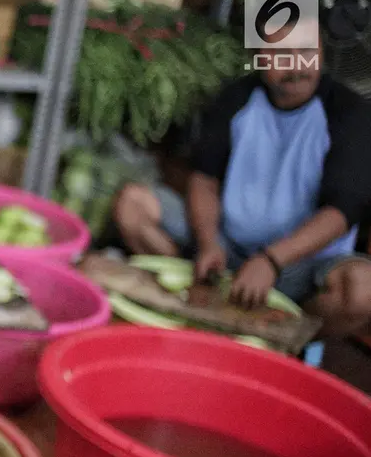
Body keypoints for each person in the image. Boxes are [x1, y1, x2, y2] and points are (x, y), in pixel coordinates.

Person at [112, 31, 371, 336]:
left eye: (307, 51)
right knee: (132, 205)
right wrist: (208, 242)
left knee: (363, 291)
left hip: (301, 266)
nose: (298, 65)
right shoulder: (236, 98)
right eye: (282, 54)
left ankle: (283, 336)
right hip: (228, 248)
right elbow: (204, 178)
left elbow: (342, 212)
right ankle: (197, 302)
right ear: (259, 59)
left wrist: (271, 261)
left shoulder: (350, 114)